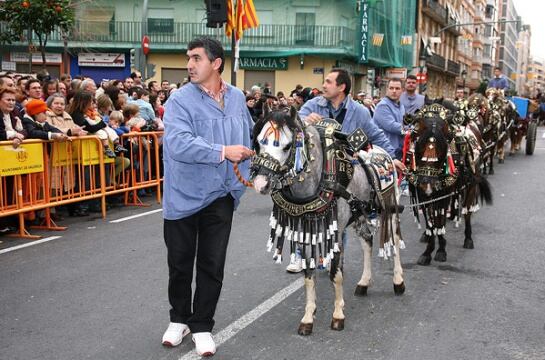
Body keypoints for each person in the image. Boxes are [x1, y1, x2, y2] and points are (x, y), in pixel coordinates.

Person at [161, 36, 254, 357]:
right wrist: (222, 151)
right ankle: (178, 319)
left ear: (215, 63)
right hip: (183, 195)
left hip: (222, 194)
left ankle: (202, 325)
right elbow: (178, 143)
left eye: (196, 58)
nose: (189, 64)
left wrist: (251, 175)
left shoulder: (239, 98)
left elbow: (248, 138)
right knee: (180, 262)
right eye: (188, 58)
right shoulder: (179, 100)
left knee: (212, 264)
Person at [297, 69, 405, 274]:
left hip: (343, 173)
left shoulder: (359, 111)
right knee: (309, 212)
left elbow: (377, 136)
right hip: (316, 174)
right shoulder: (312, 105)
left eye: (328, 82)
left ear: (341, 87)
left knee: (340, 216)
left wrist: (393, 158)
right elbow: (292, 128)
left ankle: (335, 259)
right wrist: (304, 122)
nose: (324, 85)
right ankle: (304, 254)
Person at [373, 78, 406, 160]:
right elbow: (392, 126)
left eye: (397, 88)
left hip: (398, 150)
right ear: (387, 89)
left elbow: (404, 123)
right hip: (384, 151)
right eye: (391, 88)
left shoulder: (401, 105)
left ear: (402, 90)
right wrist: (411, 130)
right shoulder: (382, 105)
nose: (394, 91)